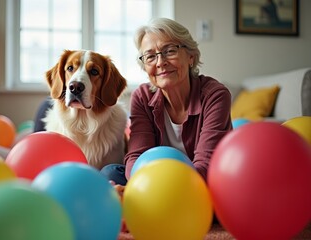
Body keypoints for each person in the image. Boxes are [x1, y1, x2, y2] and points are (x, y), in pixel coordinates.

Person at [100, 17, 233, 186]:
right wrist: (145, 185)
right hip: (154, 181)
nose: (160, 62)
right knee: (110, 173)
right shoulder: (142, 96)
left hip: (202, 184)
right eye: (150, 57)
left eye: (170, 51)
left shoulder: (215, 95)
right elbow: (136, 156)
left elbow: (206, 166)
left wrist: (159, 190)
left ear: (190, 56)